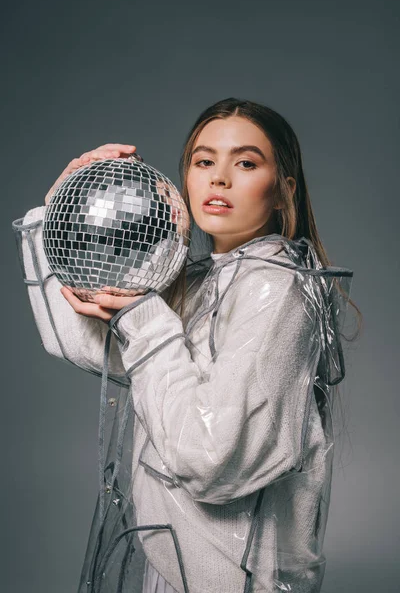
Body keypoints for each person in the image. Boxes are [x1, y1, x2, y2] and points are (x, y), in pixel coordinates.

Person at [12, 98, 361, 593]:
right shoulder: (197, 282)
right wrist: (61, 212)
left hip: (236, 582)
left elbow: (210, 458)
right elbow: (91, 346)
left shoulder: (275, 286)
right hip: (174, 570)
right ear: (185, 180)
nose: (219, 178)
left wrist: (145, 318)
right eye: (203, 161)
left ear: (284, 191)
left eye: (245, 162)